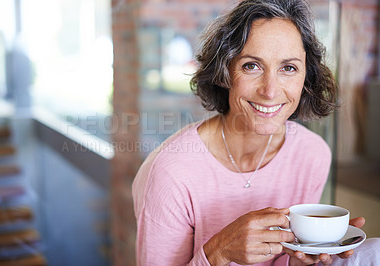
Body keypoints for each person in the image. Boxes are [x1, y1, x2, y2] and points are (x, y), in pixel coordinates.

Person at [132, 0, 375, 265]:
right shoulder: (172, 172)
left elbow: (284, 257)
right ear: (225, 72)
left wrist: (301, 259)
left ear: (307, 77)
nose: (270, 90)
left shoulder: (312, 154)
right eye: (251, 66)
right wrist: (219, 252)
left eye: (289, 68)